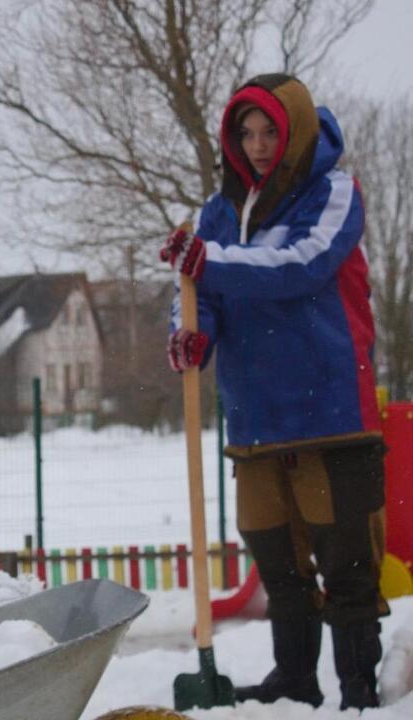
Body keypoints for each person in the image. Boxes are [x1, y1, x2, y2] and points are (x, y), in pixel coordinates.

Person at [161, 73, 385, 710]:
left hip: (331, 409)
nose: (258, 146)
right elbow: (196, 296)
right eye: (246, 133)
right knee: (278, 561)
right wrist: (190, 334)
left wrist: (212, 262)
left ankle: (361, 689)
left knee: (345, 561)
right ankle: (295, 681)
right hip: (255, 419)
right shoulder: (217, 213)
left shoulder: (334, 193)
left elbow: (304, 265)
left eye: (270, 132)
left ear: (295, 133)